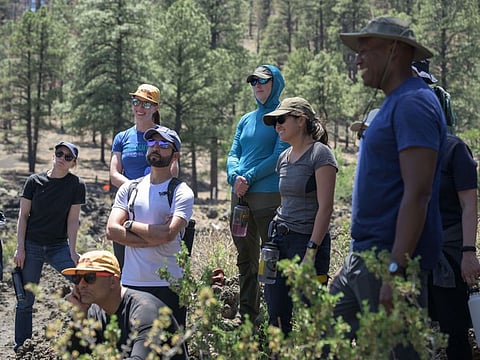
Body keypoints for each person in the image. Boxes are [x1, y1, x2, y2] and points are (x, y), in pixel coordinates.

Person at [330, 16, 447, 358]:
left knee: (400, 353)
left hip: (390, 262)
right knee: (322, 336)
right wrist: (356, 256)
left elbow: (418, 193)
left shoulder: (414, 104)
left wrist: (395, 271)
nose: (358, 58)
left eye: (366, 49)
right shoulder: (394, 104)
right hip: (364, 259)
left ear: (394, 49)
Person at [413, 60, 480, 359]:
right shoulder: (409, 153)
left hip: (450, 256)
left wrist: (468, 252)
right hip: (414, 256)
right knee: (416, 332)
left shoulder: (455, 149)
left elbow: (469, 203)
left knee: (454, 332)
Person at [262, 97, 338, 335]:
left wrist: (310, 252)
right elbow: (284, 200)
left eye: (282, 119)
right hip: (278, 240)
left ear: (301, 120)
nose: (278, 126)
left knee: (312, 314)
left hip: (306, 243)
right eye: (275, 122)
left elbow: (326, 208)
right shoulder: (284, 157)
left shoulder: (320, 154)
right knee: (276, 314)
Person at [106, 126, 194, 329]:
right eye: (152, 143)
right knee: (132, 348)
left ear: (175, 155)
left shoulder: (181, 192)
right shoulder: (130, 188)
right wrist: (151, 237)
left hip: (169, 285)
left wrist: (129, 225)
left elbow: (168, 234)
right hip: (131, 283)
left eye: (164, 145)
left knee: (172, 349)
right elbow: (111, 230)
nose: (156, 148)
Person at [226, 64, 288, 323]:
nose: (257, 85)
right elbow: (233, 153)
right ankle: (248, 315)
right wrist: (234, 176)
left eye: (263, 80)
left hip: (267, 197)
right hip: (239, 198)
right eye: (253, 82)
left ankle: (277, 317)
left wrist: (248, 177)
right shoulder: (246, 119)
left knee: (270, 257)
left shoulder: (283, 115)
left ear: (276, 83)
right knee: (245, 257)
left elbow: (278, 156)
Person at [13, 141, 86, 352]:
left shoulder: (76, 185)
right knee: (25, 299)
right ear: (54, 154)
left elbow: (73, 220)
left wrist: (73, 251)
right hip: (31, 245)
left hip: (57, 246)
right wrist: (20, 248)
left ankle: (83, 337)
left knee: (82, 283)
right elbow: (23, 216)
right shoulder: (34, 181)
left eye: (68, 157)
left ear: (74, 163)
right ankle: (22, 346)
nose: (62, 158)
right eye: (59, 153)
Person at [63, 250, 187, 359]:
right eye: (77, 278)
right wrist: (78, 318)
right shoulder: (93, 311)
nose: (81, 285)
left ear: (113, 281)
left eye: (89, 277)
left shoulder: (145, 311)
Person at [110, 84, 179, 269]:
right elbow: (114, 174)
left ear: (156, 107)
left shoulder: (166, 136)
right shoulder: (122, 137)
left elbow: (173, 172)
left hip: (157, 206)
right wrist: (135, 189)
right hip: (128, 206)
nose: (140, 108)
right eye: (136, 102)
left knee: (157, 262)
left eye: (146, 104)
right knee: (124, 264)